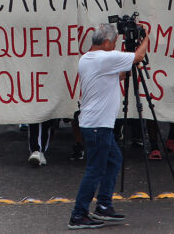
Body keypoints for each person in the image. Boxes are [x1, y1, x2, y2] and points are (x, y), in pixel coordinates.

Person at [68, 23, 149, 229]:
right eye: (113, 43)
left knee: (114, 160)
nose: (115, 47)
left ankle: (103, 205)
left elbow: (115, 76)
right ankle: (78, 214)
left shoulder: (87, 59)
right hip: (98, 125)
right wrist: (147, 37)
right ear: (105, 43)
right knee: (95, 169)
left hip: (95, 124)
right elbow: (138, 57)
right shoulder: (105, 58)